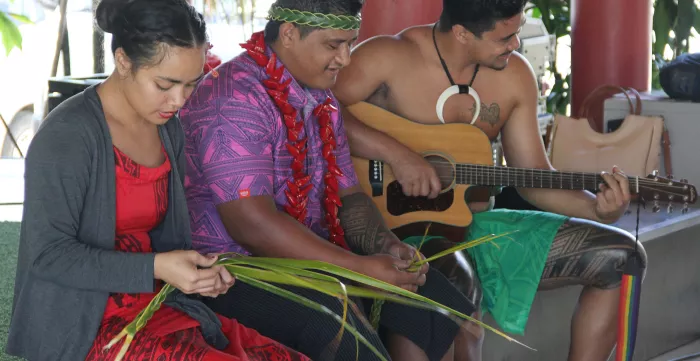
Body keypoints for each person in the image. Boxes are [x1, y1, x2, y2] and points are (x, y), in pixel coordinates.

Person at [330, 0, 648, 361]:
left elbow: (534, 178)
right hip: (392, 229)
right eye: (505, 37)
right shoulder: (387, 57)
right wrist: (398, 155)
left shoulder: (515, 76)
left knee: (623, 258)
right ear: (463, 34)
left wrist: (596, 208)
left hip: (478, 228)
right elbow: (322, 111)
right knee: (461, 305)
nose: (515, 44)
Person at [5, 1, 311, 360]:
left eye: (190, 84)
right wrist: (157, 266)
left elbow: (164, 240)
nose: (179, 100)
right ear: (123, 61)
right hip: (85, 323)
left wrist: (196, 271)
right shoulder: (69, 135)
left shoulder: (167, 129)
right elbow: (48, 256)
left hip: (160, 303)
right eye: (165, 84)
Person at [178, 1, 480, 360]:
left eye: (350, 43)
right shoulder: (233, 96)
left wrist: (383, 245)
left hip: (311, 259)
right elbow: (252, 226)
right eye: (334, 45)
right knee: (338, 319)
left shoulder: (321, 96)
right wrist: (360, 268)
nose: (346, 59)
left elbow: (349, 196)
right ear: (289, 33)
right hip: (231, 274)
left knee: (452, 315)